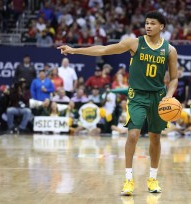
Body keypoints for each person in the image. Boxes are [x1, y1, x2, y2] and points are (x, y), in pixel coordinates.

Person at [57, 11, 178, 196]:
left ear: (161, 26)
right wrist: (74, 50)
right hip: (137, 95)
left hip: (158, 97)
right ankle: (128, 180)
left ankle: (153, 178)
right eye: (146, 23)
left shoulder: (169, 50)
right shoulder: (135, 43)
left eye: (152, 23)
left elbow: (174, 78)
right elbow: (104, 49)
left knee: (155, 137)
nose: (148, 26)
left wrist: (169, 96)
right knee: (133, 135)